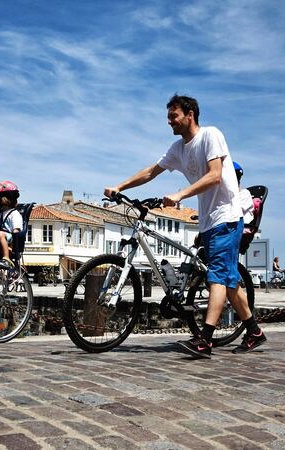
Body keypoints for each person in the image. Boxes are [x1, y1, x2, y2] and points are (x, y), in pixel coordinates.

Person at [105, 94, 265, 358]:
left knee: (217, 277)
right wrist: (119, 187)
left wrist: (180, 195)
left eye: (173, 117)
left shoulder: (210, 135)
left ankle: (205, 339)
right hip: (208, 221)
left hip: (226, 216)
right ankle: (254, 331)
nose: (170, 123)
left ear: (189, 114)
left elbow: (214, 176)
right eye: (168, 118)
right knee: (228, 279)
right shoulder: (178, 149)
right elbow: (150, 171)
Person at [0, 180, 23, 271]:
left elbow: (16, 229)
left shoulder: (14, 213)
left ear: (3, 199)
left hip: (10, 238)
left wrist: (13, 245)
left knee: (0, 234)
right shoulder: (1, 214)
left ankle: (6, 258)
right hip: (1, 237)